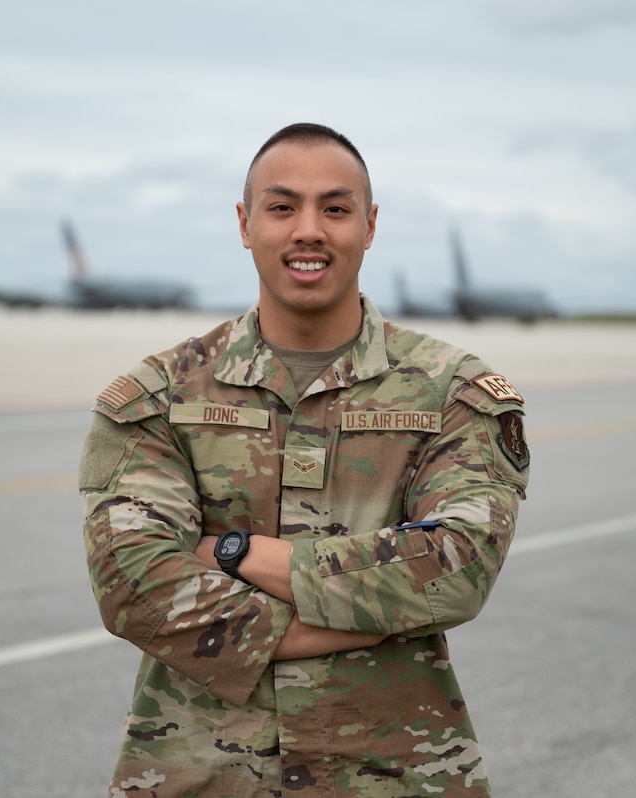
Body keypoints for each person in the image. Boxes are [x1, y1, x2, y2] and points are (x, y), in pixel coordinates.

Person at [79, 122, 530, 797]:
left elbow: (457, 567)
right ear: (245, 221)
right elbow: (131, 584)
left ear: (370, 225)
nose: (309, 230)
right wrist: (374, 615)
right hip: (195, 776)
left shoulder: (452, 392)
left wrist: (230, 553)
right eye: (283, 206)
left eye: (337, 208)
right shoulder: (160, 394)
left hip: (396, 776)